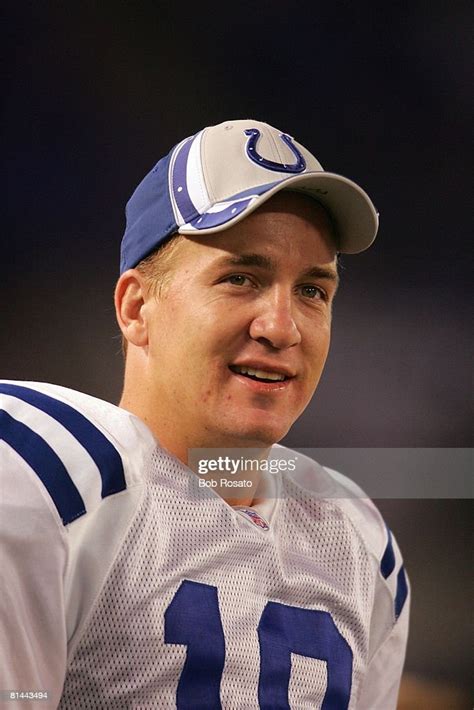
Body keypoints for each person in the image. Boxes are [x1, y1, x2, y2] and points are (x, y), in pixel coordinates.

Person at [0, 119, 409, 708]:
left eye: (312, 291)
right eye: (240, 278)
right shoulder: (54, 484)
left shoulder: (362, 546)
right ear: (136, 307)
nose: (281, 326)